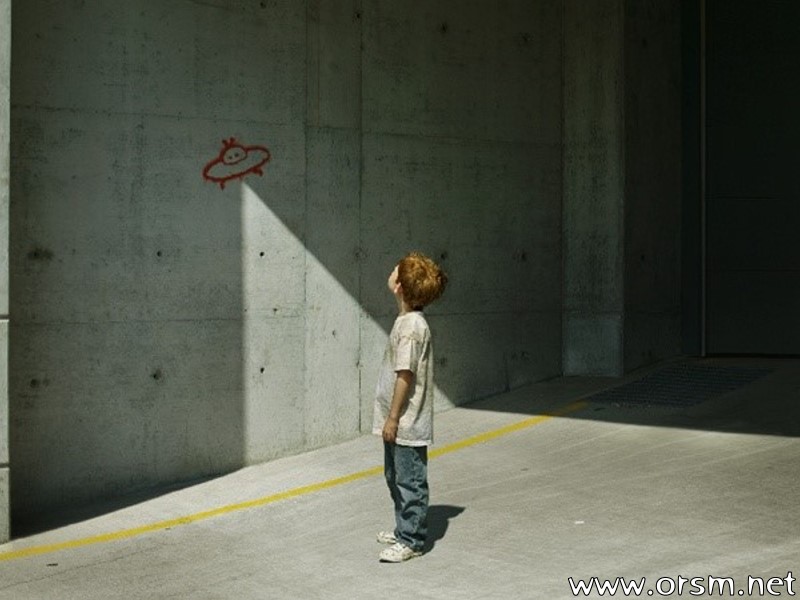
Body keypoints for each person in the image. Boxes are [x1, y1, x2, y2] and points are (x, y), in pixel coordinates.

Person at [372, 252, 448, 562]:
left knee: (409, 480)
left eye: (395, 270)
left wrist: (392, 418)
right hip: (397, 421)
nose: (391, 271)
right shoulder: (406, 322)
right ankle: (404, 527)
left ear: (399, 286)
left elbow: (405, 375)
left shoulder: (412, 328)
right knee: (394, 476)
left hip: (406, 422)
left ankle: (412, 540)